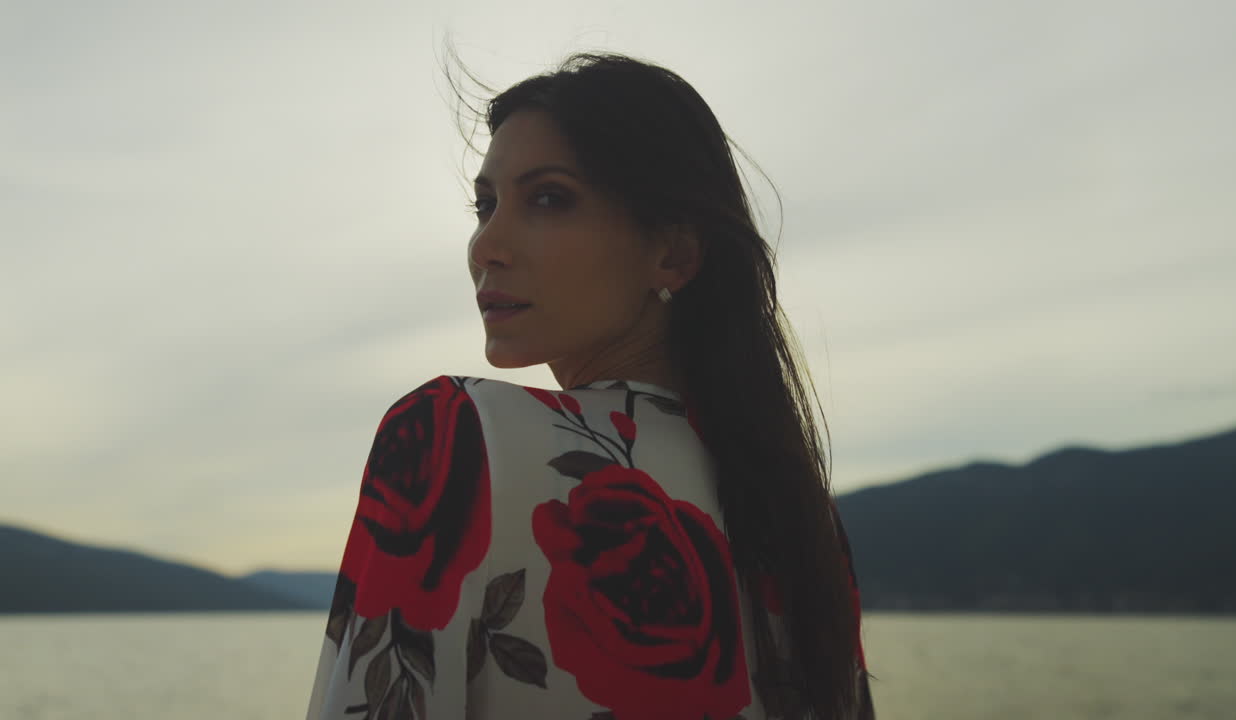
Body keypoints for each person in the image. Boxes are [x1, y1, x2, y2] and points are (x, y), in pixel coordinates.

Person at [305, 51, 874, 720]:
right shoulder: (803, 517)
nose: (486, 244)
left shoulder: (455, 435)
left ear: (673, 253)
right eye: (485, 205)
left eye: (549, 198)